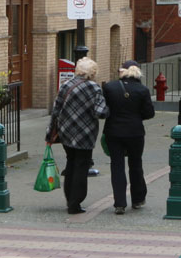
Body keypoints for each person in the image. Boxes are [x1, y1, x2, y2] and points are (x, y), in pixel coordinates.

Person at [48, 56, 108, 214]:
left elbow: (56, 111)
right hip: (86, 134)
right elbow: (101, 113)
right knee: (82, 166)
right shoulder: (94, 88)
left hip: (66, 131)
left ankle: (70, 199)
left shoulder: (66, 85)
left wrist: (50, 135)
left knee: (71, 163)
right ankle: (75, 202)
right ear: (93, 72)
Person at [101, 60, 156, 213]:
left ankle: (119, 203)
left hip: (114, 132)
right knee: (136, 165)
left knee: (117, 166)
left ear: (122, 71)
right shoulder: (142, 90)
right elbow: (149, 113)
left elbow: (103, 109)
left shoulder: (109, 87)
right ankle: (138, 199)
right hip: (135, 132)